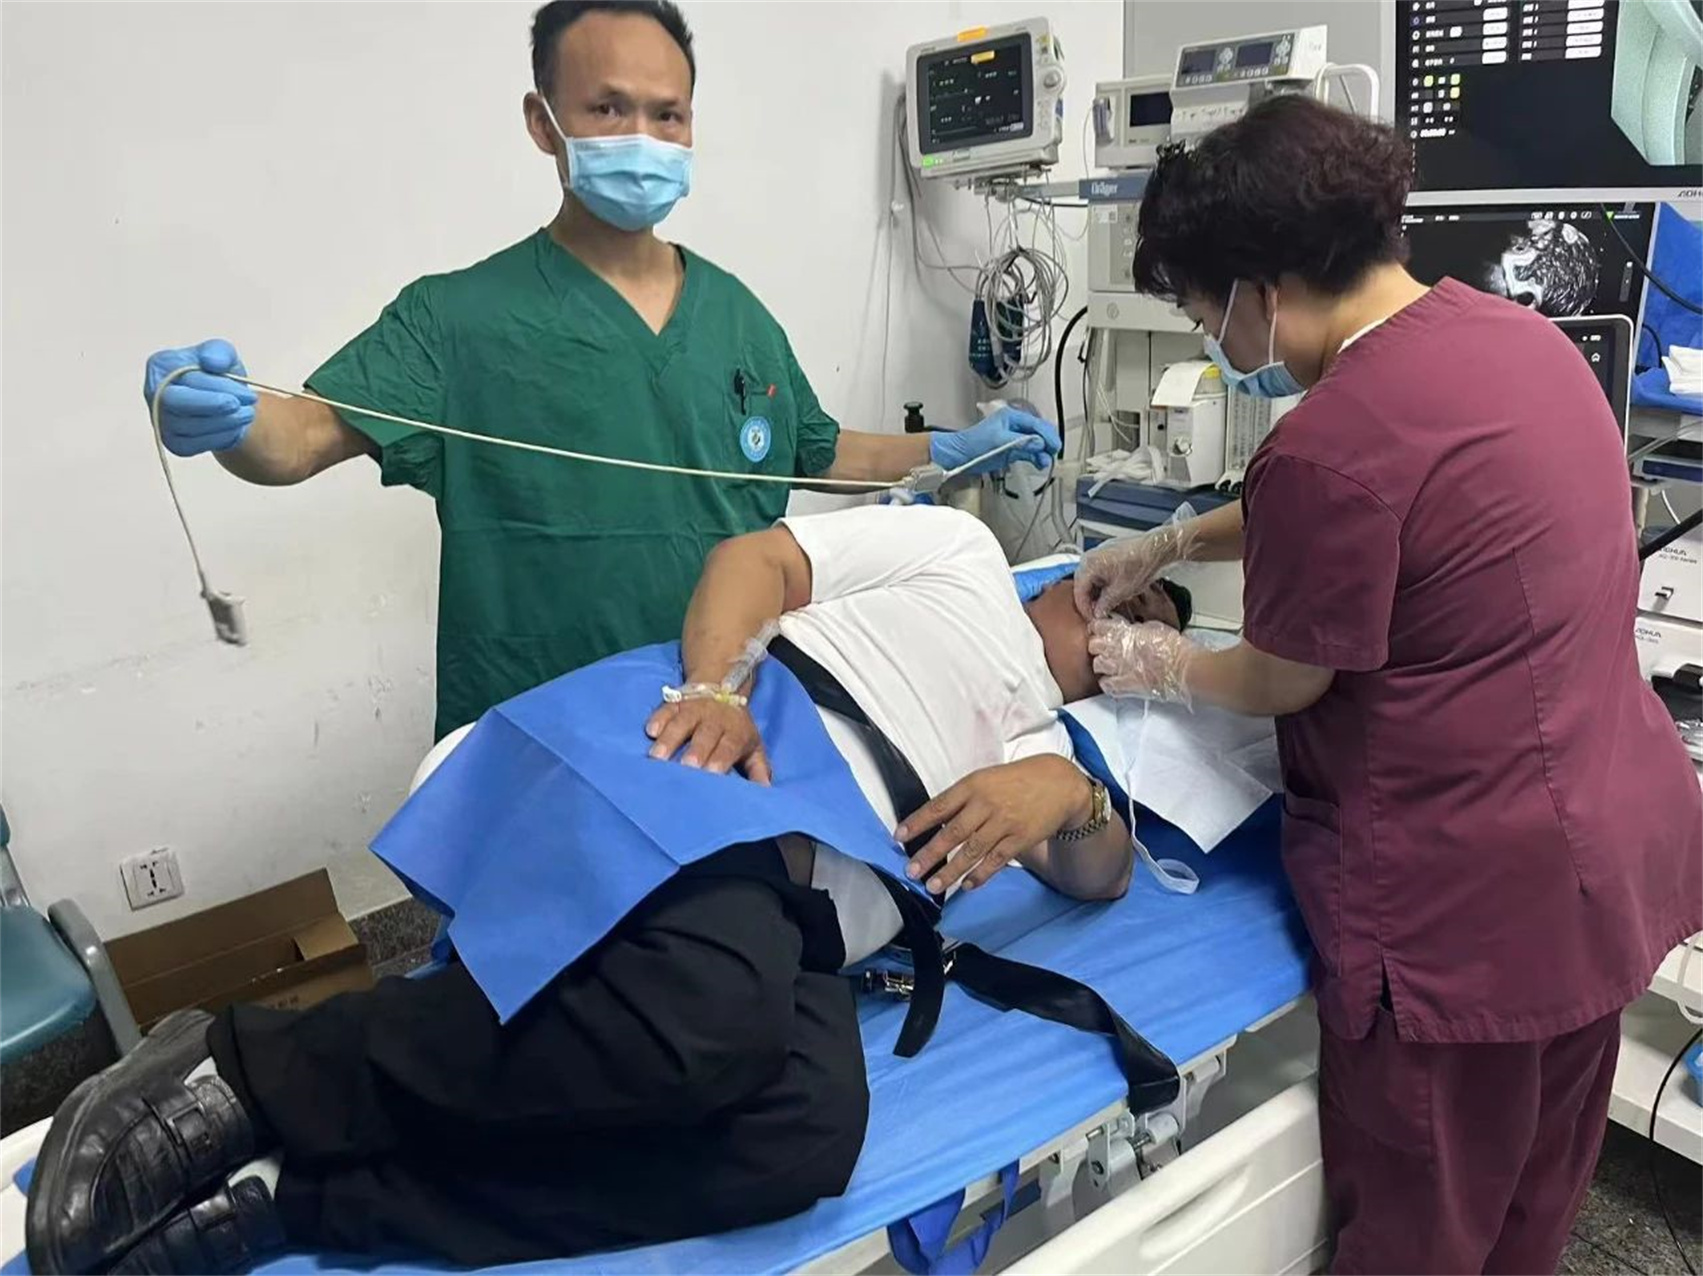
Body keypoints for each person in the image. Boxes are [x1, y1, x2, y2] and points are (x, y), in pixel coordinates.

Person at [28, 505, 1187, 1275]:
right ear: (1077, 579)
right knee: (709, 1022)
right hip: (720, 788)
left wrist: (1070, 791)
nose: (1128, 628)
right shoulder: (961, 558)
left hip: (796, 922)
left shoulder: (1049, 753)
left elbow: (1098, 881)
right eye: (1132, 599)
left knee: (802, 1139)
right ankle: (241, 1067)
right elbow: (754, 562)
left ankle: (306, 1202)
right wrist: (716, 686)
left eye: (1153, 640)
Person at [1075, 94, 1703, 1276]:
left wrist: (1167, 665)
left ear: (1260, 286)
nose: (1211, 336)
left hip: (1464, 920)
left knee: (1422, 1233)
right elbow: (1381, 504)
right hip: (1605, 873)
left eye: (1203, 310)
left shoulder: (1327, 445)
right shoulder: (1516, 341)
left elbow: (1282, 676)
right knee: (1528, 1208)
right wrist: (1175, 539)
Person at [141, 0, 1058, 741]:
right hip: (542, 724)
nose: (641, 137)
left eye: (667, 114)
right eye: (607, 110)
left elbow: (813, 452)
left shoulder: (734, 313)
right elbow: (300, 439)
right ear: (543, 123)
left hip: (722, 705)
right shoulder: (457, 317)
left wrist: (954, 449)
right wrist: (227, 418)